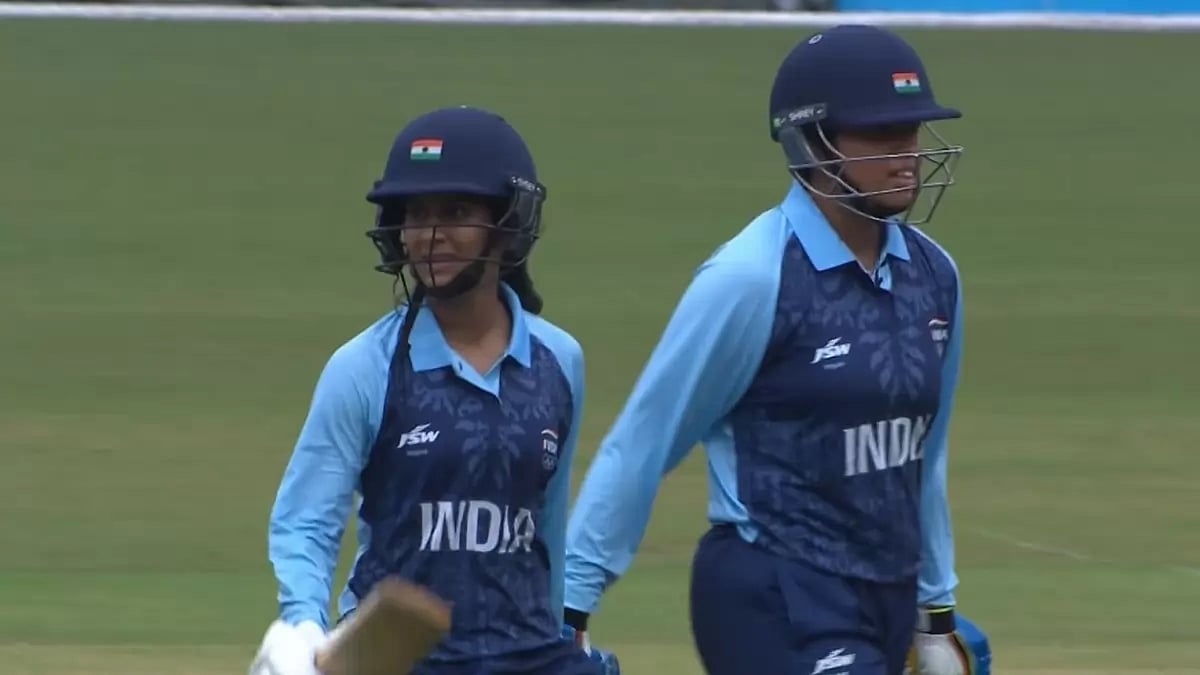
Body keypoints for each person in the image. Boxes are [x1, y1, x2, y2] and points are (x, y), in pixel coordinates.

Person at [561, 24, 978, 675]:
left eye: (913, 131)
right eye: (882, 133)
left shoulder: (935, 277)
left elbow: (924, 453)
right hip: (774, 589)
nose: (908, 153)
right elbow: (642, 442)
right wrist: (567, 610)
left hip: (887, 589)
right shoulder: (752, 278)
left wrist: (937, 610)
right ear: (813, 142)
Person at [247, 105, 615, 675]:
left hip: (531, 655)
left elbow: (548, 527)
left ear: (508, 221)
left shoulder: (558, 361)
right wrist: (304, 628)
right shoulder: (365, 368)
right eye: (416, 215)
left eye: (456, 211)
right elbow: (306, 521)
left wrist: (566, 628)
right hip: (403, 663)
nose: (430, 236)